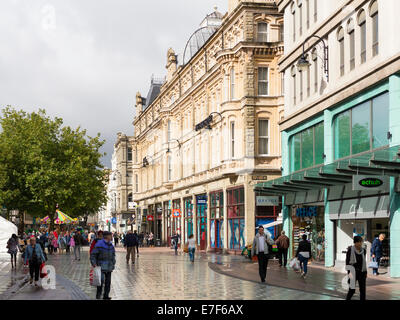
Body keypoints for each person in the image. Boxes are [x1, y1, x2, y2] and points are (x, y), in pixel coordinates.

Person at [90, 231, 116, 300]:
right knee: (100, 281)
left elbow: (113, 254)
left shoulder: (111, 244)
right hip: (100, 266)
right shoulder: (99, 244)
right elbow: (93, 255)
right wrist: (94, 263)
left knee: (108, 282)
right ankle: (98, 295)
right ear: (107, 236)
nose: (112, 237)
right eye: (111, 235)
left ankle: (106, 296)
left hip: (109, 266)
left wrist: (113, 262)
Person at [346, 236, 367, 300]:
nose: (360, 243)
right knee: (352, 290)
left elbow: (364, 262)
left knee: (363, 290)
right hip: (353, 272)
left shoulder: (363, 251)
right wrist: (349, 273)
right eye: (358, 242)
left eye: (361, 242)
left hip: (362, 272)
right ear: (355, 242)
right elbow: (347, 263)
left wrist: (365, 272)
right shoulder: (350, 250)